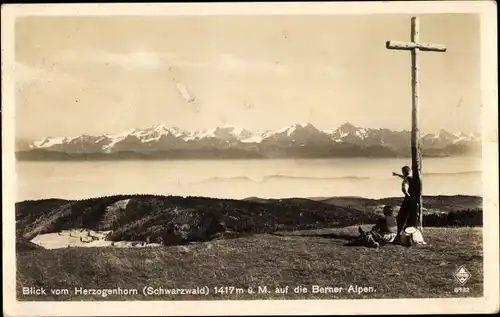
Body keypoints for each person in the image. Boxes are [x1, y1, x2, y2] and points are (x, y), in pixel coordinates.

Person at [392, 165, 418, 235]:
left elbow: (404, 189)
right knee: (411, 217)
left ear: (403, 172)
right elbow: (404, 177)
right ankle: (410, 232)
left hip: (408, 199)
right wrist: (397, 174)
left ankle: (399, 232)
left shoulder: (406, 179)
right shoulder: (413, 178)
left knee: (402, 216)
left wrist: (408, 196)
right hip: (414, 200)